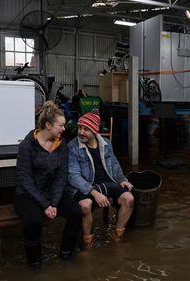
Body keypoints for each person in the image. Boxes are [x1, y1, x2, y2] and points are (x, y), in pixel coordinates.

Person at [14, 101, 82, 268]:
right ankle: (34, 263)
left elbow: (61, 176)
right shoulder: (27, 145)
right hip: (27, 195)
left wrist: (54, 203)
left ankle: (66, 255)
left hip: (52, 193)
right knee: (33, 221)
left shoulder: (61, 145)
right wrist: (45, 205)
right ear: (48, 125)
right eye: (61, 125)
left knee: (75, 212)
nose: (64, 129)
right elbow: (25, 179)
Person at [68, 112, 134, 249]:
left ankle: (117, 235)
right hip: (85, 186)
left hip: (106, 183)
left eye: (86, 129)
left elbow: (114, 164)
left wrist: (122, 179)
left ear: (94, 130)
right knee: (85, 205)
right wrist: (94, 193)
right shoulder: (72, 147)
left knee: (129, 198)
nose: (81, 132)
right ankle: (87, 243)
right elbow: (73, 176)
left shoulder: (106, 143)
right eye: (79, 128)